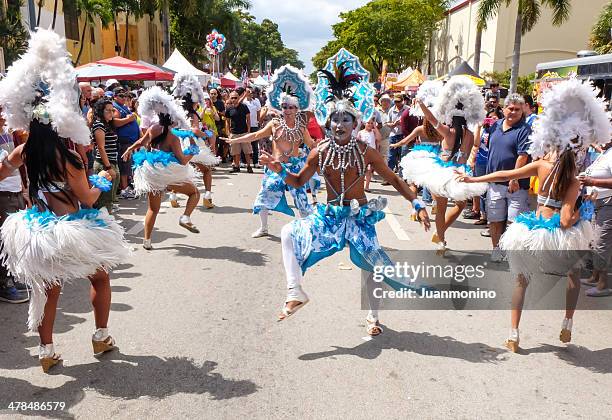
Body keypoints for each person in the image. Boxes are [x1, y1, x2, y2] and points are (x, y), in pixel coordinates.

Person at [259, 52, 430, 336]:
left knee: (372, 267)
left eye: (345, 120)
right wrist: (278, 169)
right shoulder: (320, 152)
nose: (339, 125)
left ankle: (373, 317)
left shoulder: (366, 152)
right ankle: (295, 291)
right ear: (328, 123)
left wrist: (417, 201)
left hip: (359, 217)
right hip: (330, 218)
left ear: (356, 124)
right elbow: (299, 181)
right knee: (289, 232)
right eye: (334, 120)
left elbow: (395, 180)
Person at [0, 29, 130, 372]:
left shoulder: (23, 151)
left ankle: (46, 352)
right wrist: (103, 179)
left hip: (36, 228)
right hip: (71, 229)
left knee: (48, 290)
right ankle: (101, 335)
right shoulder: (69, 158)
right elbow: (86, 197)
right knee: (100, 278)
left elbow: (1, 173)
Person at [458, 78, 610, 352]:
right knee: (573, 276)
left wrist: (472, 179)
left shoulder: (540, 165)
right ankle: (567, 322)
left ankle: (513, 334)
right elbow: (565, 220)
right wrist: (581, 211)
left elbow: (506, 174)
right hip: (561, 235)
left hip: (534, 228)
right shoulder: (574, 179)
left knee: (521, 279)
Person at [222, 64, 318, 238]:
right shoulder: (274, 124)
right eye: (284, 106)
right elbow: (256, 135)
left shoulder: (301, 127)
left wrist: (320, 147)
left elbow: (311, 145)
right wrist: (234, 139)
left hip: (295, 169)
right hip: (275, 166)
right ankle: (264, 228)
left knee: (303, 202)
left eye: (290, 107)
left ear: (297, 109)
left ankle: (309, 231)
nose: (287, 110)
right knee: (263, 198)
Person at [401, 76, 486, 254]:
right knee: (461, 205)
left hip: (441, 173)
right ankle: (440, 233)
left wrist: (422, 105)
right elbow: (476, 144)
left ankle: (441, 240)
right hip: (460, 174)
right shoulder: (469, 134)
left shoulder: (447, 131)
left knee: (440, 209)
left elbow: (432, 120)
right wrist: (478, 124)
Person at [122, 86, 201, 250]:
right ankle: (185, 217)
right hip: (167, 174)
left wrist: (129, 149)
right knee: (194, 193)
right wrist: (193, 152)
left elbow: (141, 142)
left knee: (153, 208)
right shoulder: (173, 137)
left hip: (152, 172)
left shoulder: (153, 128)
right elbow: (182, 161)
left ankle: (147, 241)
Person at [485, 94, 532, 262]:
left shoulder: (524, 130)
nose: (513, 112)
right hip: (495, 183)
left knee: (514, 222)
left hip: (516, 185)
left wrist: (515, 179)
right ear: (504, 109)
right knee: (495, 219)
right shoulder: (495, 125)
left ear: (522, 111)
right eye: (510, 108)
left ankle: (512, 255)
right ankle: (496, 249)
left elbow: (522, 157)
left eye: (517, 109)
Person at [171, 73, 220, 209]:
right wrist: (206, 134)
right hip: (192, 143)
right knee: (206, 170)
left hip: (179, 143)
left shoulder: (178, 113)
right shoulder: (192, 114)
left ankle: (173, 196)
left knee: (181, 170)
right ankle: (207, 197)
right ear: (193, 101)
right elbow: (194, 130)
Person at [0, 105, 29, 304]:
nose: (4, 115)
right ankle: (4, 284)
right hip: (3, 194)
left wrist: (24, 188)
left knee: (12, 240)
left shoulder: (7, 133)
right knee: (4, 241)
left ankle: (9, 277)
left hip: (15, 191)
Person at [578, 140, 612, 297]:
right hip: (597, 202)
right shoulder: (604, 153)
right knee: (593, 241)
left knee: (601, 244)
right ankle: (595, 277)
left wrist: (592, 182)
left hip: (608, 204)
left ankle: (603, 285)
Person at [466, 108, 504, 226]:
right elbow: (476, 143)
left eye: (495, 118)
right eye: (490, 118)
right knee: (481, 190)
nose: (492, 121)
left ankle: (491, 219)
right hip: (481, 161)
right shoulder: (485, 130)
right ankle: (483, 215)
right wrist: (479, 126)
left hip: (493, 163)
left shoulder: (501, 130)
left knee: (492, 191)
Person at [91, 99, 120, 213]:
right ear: (100, 111)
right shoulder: (99, 125)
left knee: (109, 199)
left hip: (111, 162)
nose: (111, 113)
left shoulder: (106, 124)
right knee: (104, 200)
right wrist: (108, 168)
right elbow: (101, 148)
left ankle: (107, 222)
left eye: (112, 110)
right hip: (104, 165)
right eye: (108, 110)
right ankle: (104, 225)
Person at [112, 86, 140, 200]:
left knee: (128, 165)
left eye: (125, 95)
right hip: (123, 142)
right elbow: (114, 122)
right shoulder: (115, 108)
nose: (124, 98)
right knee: (124, 166)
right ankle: (124, 190)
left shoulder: (123, 107)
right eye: (121, 96)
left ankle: (127, 187)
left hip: (129, 142)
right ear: (115, 97)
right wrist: (129, 119)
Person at [225, 90, 253, 173]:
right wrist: (228, 132)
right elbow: (227, 121)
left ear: (238, 98)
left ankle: (248, 166)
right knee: (235, 152)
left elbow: (248, 119)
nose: (234, 99)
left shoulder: (244, 106)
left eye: (235, 98)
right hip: (234, 133)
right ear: (230, 99)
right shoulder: (229, 109)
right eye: (232, 98)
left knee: (247, 151)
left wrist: (248, 131)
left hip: (244, 132)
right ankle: (236, 166)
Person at [357, 117, 381, 192]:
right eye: (368, 123)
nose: (370, 125)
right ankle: (360, 185)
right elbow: (357, 142)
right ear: (364, 123)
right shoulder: (361, 132)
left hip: (371, 153)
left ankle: (367, 186)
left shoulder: (374, 132)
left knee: (369, 170)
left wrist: (375, 127)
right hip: (362, 153)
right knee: (361, 170)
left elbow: (379, 138)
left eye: (371, 123)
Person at [385, 93, 407, 173]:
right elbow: (387, 123)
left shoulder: (408, 109)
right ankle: (389, 176)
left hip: (404, 135)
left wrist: (403, 123)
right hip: (393, 135)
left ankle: (402, 176)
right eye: (395, 102)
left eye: (399, 101)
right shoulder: (391, 110)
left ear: (402, 101)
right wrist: (394, 124)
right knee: (391, 156)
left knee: (403, 156)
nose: (397, 103)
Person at [242, 87, 262, 166]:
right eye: (248, 92)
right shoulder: (243, 101)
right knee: (245, 143)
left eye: (251, 91)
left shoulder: (256, 101)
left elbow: (258, 112)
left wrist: (258, 122)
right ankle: (243, 161)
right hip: (245, 125)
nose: (250, 93)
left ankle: (255, 162)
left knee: (254, 144)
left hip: (254, 125)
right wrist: (244, 96)